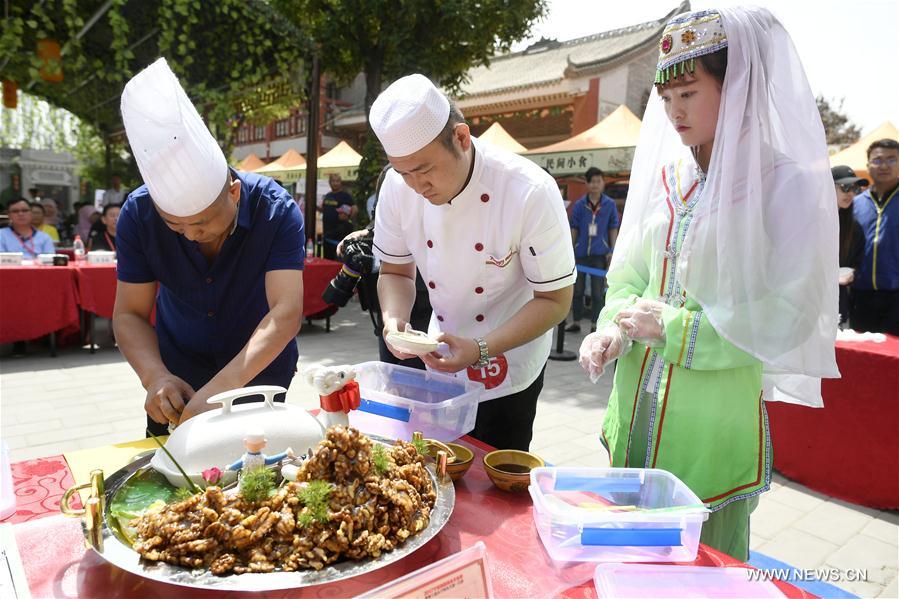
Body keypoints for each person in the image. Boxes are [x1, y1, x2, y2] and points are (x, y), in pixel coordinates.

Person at [578, 8, 838, 560]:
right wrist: (613, 330)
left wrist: (672, 328)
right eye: (666, 98)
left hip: (712, 417)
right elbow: (629, 273)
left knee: (701, 568)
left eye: (689, 94)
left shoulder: (782, 185)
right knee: (625, 560)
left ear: (737, 85)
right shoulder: (667, 176)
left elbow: (790, 309)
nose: (674, 113)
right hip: (636, 404)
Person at [370, 74, 575, 451]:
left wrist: (481, 347)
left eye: (425, 169)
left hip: (509, 360)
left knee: (495, 477)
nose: (416, 185)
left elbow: (555, 300)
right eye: (403, 172)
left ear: (461, 138)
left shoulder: (528, 190)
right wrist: (392, 320)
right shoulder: (397, 188)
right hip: (440, 357)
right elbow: (396, 271)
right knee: (435, 467)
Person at [113, 58, 305, 436]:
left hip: (258, 374)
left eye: (201, 222)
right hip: (177, 378)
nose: (188, 234)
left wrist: (221, 389)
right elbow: (129, 314)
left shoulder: (276, 211)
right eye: (173, 224)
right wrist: (155, 377)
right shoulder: (138, 214)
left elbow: (286, 312)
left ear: (233, 193)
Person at [850, 138, 899, 335]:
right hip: (860, 296)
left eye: (892, 159)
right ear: (868, 165)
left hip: (896, 296)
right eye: (877, 160)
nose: (884, 166)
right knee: (862, 357)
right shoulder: (854, 204)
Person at [566, 166, 619, 333]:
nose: (595, 185)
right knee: (577, 290)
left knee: (597, 292)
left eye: (598, 181)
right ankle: (576, 322)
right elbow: (574, 227)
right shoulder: (580, 205)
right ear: (587, 184)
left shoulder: (609, 205)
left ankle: (596, 324)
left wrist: (612, 250)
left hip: (599, 254)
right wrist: (570, 251)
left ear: (603, 183)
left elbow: (613, 227)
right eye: (592, 182)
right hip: (581, 253)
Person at [831, 165, 867, 326]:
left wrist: (852, 273)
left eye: (854, 188)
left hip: (839, 302)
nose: (851, 193)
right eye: (845, 187)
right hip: (808, 300)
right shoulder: (812, 222)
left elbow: (856, 263)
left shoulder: (854, 228)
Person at [321, 173, 356, 259]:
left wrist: (349, 217)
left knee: (339, 264)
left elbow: (355, 209)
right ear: (329, 182)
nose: (335, 183)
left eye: (337, 181)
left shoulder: (346, 196)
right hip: (327, 236)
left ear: (341, 182)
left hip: (339, 238)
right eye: (333, 181)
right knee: (328, 263)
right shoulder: (327, 196)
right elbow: (325, 211)